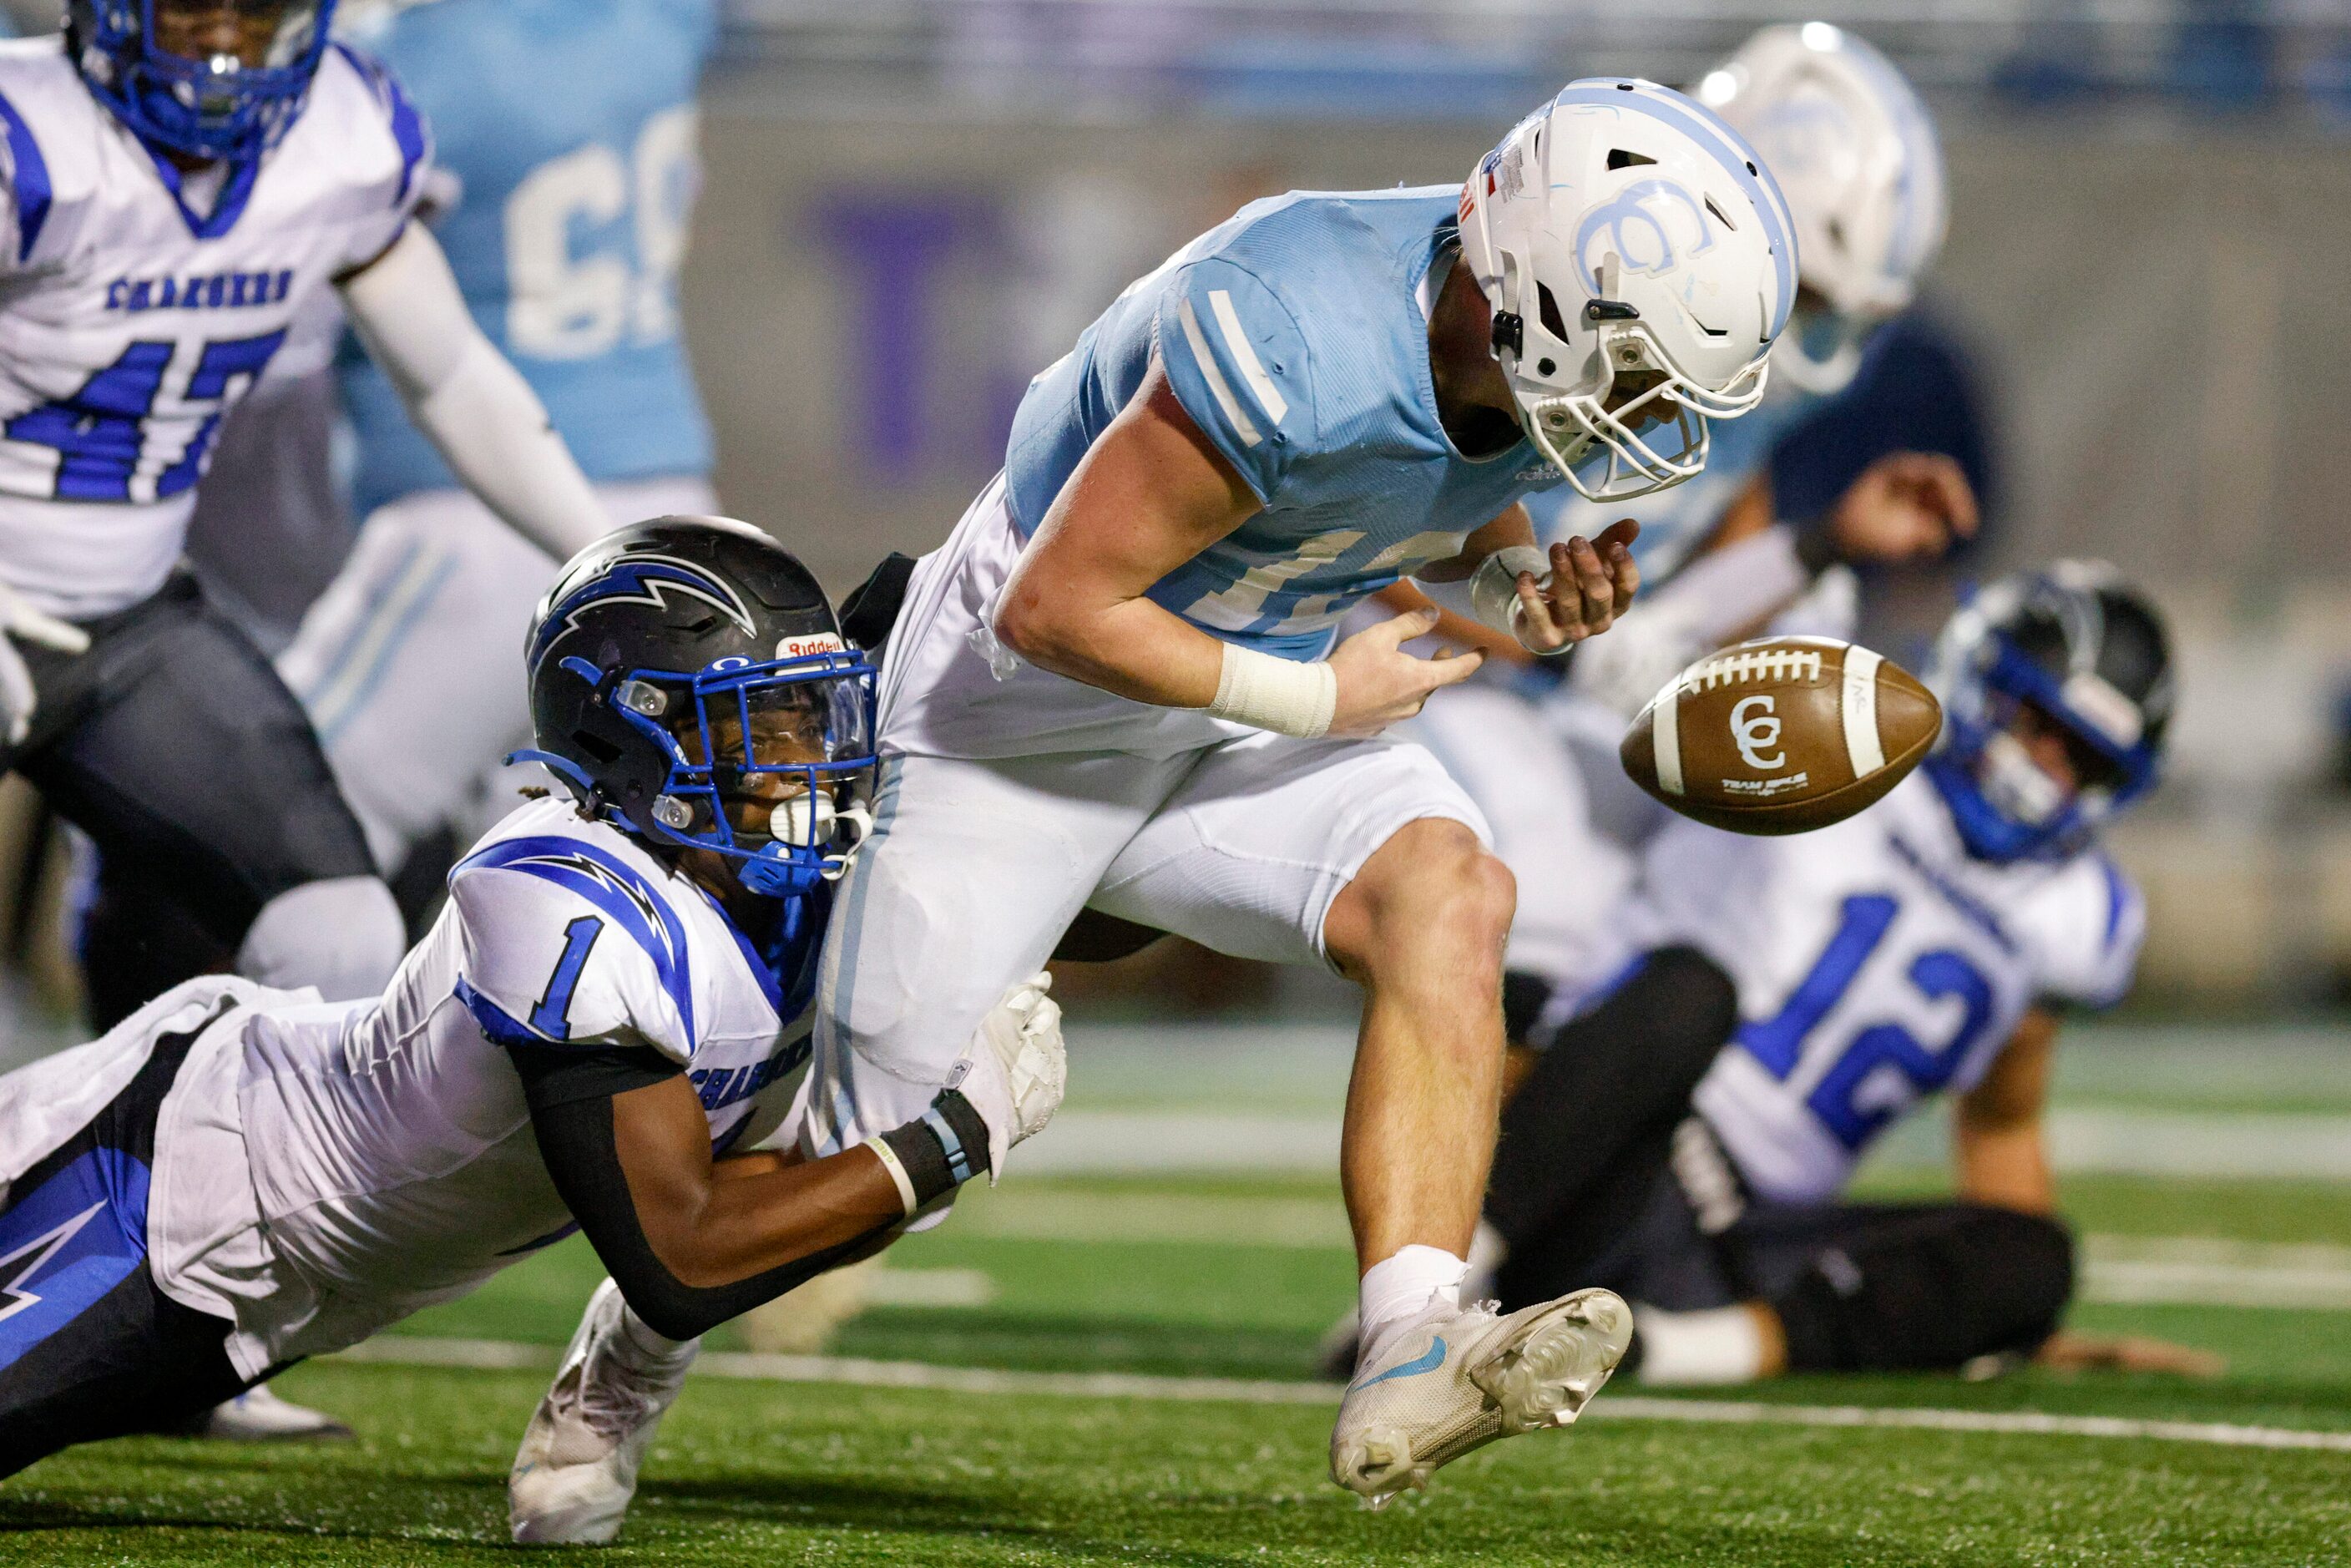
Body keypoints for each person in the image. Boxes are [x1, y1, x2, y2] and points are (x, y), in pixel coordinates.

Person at [781, 76, 1797, 1512]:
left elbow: (1431, 484)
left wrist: (1521, 585)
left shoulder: (1478, 320)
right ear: (1543, 298)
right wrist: (1318, 698)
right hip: (1018, 721)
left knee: (1453, 887)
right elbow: (1055, 606)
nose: (1645, 412)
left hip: (1230, 706)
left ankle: (1410, 1338)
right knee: (834, 1165)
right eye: (1632, 366)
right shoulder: (1288, 330)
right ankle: (616, 1373)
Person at [0, 518, 1069, 1515]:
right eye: (761, 726)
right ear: (630, 738)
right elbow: (680, 1260)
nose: (808, 760)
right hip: (160, 1183)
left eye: (810, 715)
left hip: (268, 1286)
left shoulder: (791, 878)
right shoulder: (563, 900)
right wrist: (951, 1138)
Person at [0, 0, 615, 1029]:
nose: (229, 51)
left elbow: (454, 375)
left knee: (340, 933)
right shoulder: (30, 140)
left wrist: (603, 551)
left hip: (133, 616)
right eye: (195, 15)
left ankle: (210, 1185)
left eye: (261, 16)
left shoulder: (343, 132)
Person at [1475, 563, 2210, 1383]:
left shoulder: (2073, 913)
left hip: (1747, 1244)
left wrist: (2006, 1311)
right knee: (1689, 992)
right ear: (1979, 670)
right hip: (1594, 1155)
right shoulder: (1819, 719)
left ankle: (1657, 1353)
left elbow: (2001, 1122)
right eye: (2038, 722)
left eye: (2084, 759)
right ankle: (1436, 1298)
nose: (2046, 770)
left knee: (2033, 1258)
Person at [1394, 23, 1977, 1019]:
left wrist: (1815, 552)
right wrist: (1564, 656)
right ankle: (1532, 1161)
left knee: (1802, 766)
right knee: (1543, 867)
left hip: (1563, 683)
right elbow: (1370, 535)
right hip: (1429, 667)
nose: (1803, 342)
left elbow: (1708, 531)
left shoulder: (1737, 382)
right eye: (1804, 302)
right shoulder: (1558, 289)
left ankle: (1679, 1102)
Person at [274, 0, 723, 895]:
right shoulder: (660, 23)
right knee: (549, 881)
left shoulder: (405, 71)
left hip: (479, 510)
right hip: (667, 502)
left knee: (263, 827)